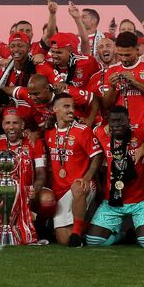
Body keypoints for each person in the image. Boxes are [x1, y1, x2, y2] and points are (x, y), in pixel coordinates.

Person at [86, 106, 144, 249]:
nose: (117, 124)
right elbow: (86, 132)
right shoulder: (101, 133)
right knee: (93, 241)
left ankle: (143, 232)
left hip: (141, 200)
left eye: (121, 121)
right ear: (108, 122)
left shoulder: (141, 131)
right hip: (112, 201)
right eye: (113, 121)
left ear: (129, 120)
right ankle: (124, 235)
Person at [0, 108, 46, 244]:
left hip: (27, 192)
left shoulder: (35, 143)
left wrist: (35, 188)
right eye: (8, 123)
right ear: (3, 125)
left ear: (22, 125)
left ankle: (41, 229)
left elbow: (41, 173)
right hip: (3, 193)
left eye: (15, 123)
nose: (11, 127)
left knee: (47, 200)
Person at [44, 93, 102, 247]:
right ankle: (97, 228)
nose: (71, 110)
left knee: (78, 186)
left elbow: (97, 156)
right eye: (66, 106)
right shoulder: (49, 132)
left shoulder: (82, 130)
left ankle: (77, 233)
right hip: (60, 190)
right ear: (55, 109)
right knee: (63, 239)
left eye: (73, 107)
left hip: (81, 184)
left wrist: (87, 178)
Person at [101, 32, 144, 125]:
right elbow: (106, 105)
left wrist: (136, 82)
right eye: (120, 55)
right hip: (122, 128)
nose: (123, 59)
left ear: (137, 49)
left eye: (127, 55)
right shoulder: (112, 70)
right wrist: (112, 87)